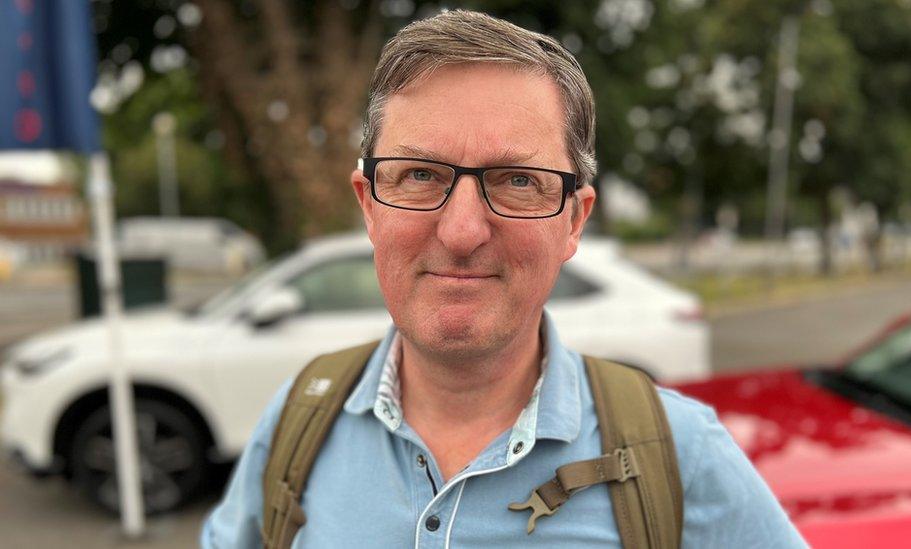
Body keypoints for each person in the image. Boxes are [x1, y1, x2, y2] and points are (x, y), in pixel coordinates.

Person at [202, 10, 807, 548]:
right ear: (369, 204)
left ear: (575, 219)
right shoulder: (296, 423)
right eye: (418, 174)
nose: (462, 231)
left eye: (518, 181)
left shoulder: (681, 456)